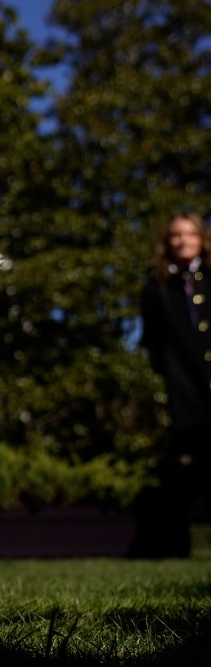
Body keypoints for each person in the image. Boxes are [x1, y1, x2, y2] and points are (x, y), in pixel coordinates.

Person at [136, 211, 211, 555]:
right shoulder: (157, 287)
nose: (183, 241)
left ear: (201, 239)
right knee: (189, 461)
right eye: (176, 235)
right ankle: (178, 543)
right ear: (168, 243)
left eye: (190, 234)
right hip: (185, 388)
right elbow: (151, 337)